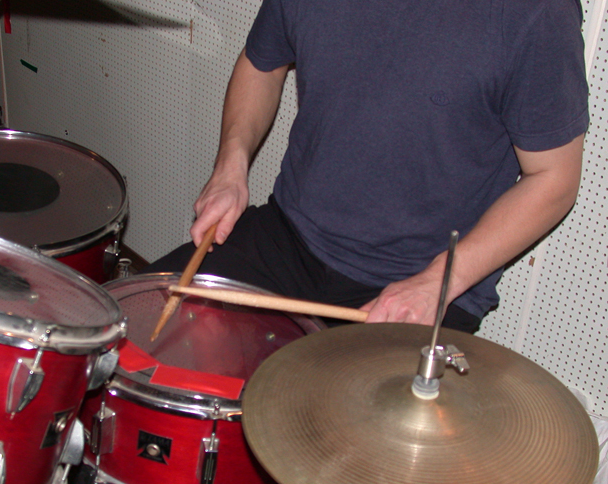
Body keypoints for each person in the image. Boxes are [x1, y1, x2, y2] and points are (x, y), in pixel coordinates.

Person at [144, 0, 588, 340]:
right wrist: (230, 166)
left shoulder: (535, 12)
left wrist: (437, 283)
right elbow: (262, 64)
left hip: (423, 280)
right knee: (132, 334)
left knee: (328, 430)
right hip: (290, 238)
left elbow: (555, 179)